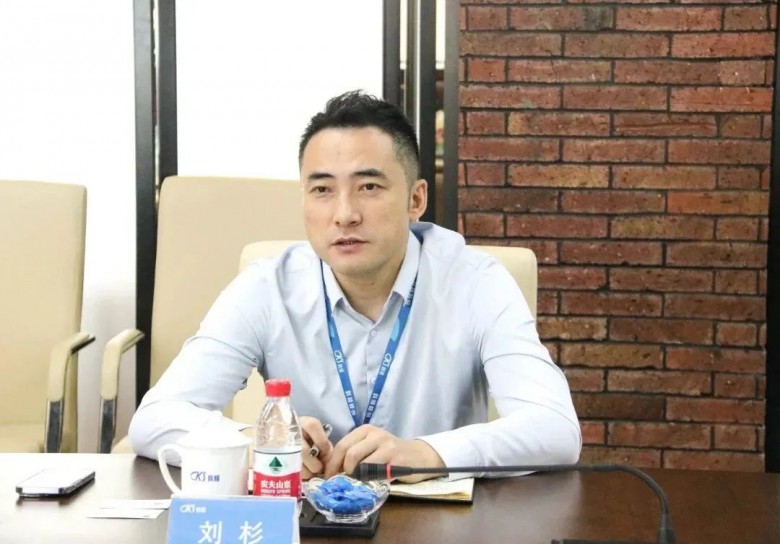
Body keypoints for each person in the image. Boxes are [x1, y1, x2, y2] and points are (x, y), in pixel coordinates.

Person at [129, 90, 581, 482]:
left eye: (368, 186)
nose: (344, 214)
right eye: (322, 190)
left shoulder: (476, 283)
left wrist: (427, 453)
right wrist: (258, 440)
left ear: (416, 199)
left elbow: (555, 429)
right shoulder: (267, 288)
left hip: (436, 524)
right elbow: (155, 419)